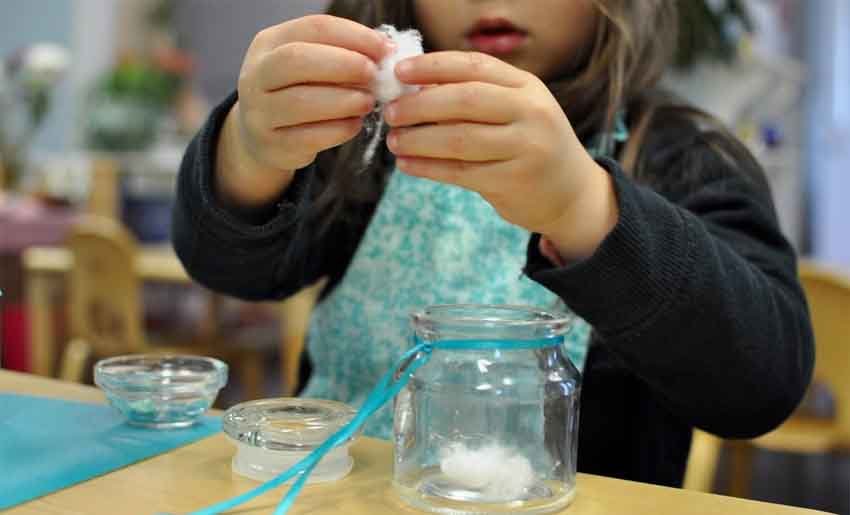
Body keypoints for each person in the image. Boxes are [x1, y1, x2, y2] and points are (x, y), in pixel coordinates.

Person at [173, 1, 814, 487]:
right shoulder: (364, 142)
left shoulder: (682, 156)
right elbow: (228, 265)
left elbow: (760, 386)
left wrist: (581, 207)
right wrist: (250, 150)